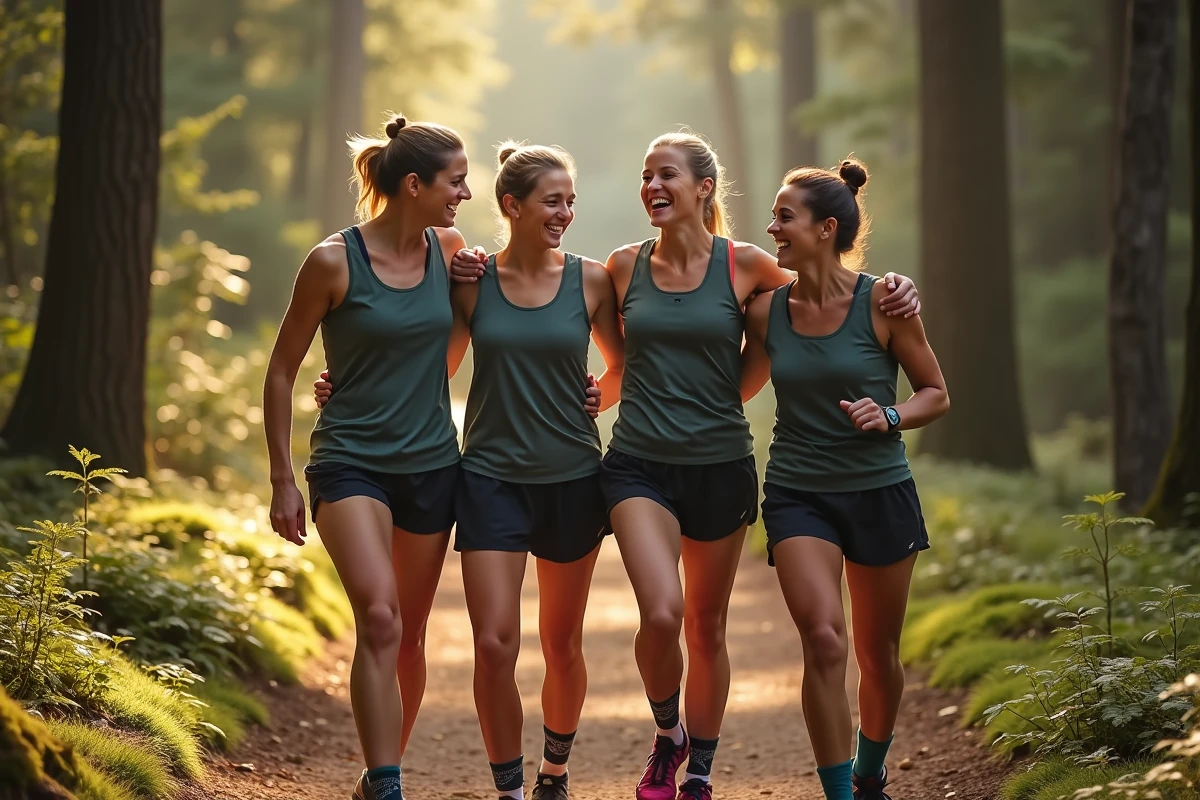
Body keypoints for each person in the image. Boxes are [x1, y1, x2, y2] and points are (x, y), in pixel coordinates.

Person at [454, 131, 922, 800]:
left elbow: (829, 295)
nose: (652, 186)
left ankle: (698, 768)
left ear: (704, 188)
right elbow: (614, 363)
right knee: (664, 615)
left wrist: (896, 289)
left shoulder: (751, 266)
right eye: (646, 175)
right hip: (638, 464)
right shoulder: (618, 267)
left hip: (721, 465)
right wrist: (598, 394)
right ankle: (667, 730)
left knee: (707, 627)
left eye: (665, 174)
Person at [316, 142, 622, 800]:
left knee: (563, 643)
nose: (565, 211)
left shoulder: (592, 280)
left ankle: (555, 772)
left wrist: (604, 392)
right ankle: (508, 788)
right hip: (487, 478)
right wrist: (348, 383)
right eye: (552, 200)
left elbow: (624, 365)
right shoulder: (471, 279)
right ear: (513, 207)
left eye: (571, 201)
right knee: (493, 643)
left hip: (572, 477)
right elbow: (433, 356)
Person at [739, 159, 949, 800]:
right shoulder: (763, 312)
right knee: (824, 639)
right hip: (799, 491)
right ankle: (839, 793)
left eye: (785, 217)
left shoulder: (884, 303)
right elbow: (728, 384)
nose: (773, 228)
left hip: (880, 490)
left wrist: (889, 415)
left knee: (877, 656)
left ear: (826, 228)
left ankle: (868, 771)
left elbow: (935, 394)